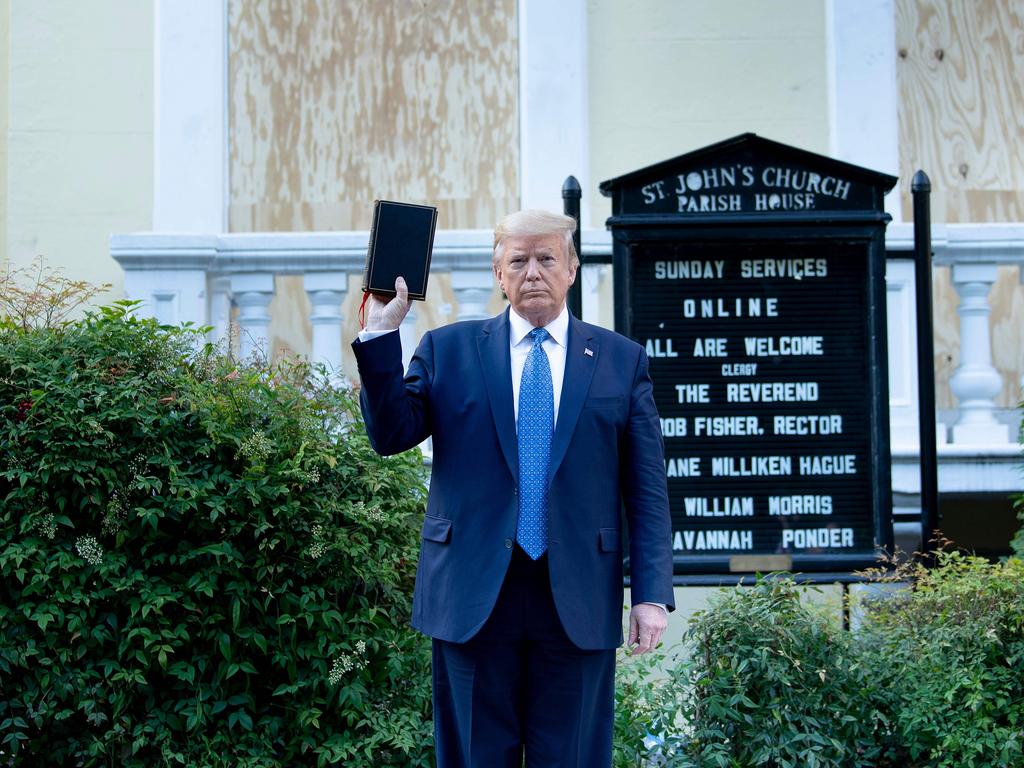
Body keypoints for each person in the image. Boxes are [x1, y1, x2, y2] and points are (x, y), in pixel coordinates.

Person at [352, 209, 674, 767]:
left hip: (576, 597)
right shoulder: (447, 350)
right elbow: (390, 435)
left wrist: (649, 594)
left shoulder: (622, 361)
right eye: (518, 260)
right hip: (473, 596)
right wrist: (382, 336)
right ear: (498, 273)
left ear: (572, 268)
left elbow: (646, 491)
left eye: (547, 258)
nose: (533, 272)